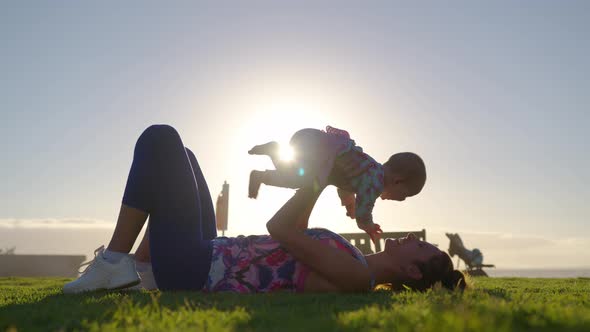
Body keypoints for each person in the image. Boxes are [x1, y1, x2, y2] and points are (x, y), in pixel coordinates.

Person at [63, 125, 464, 294]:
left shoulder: (358, 276)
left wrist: (323, 176)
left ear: (412, 271)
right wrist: (322, 179)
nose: (412, 239)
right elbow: (298, 234)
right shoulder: (353, 257)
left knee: (160, 139)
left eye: (421, 249)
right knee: (183, 156)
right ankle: (144, 269)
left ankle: (115, 263)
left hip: (197, 268)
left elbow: (281, 229)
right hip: (208, 252)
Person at [248, 126, 427, 245]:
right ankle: (271, 157)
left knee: (296, 177)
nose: (401, 200)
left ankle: (266, 167)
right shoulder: (375, 183)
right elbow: (364, 210)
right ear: (398, 180)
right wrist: (368, 226)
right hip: (317, 146)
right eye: (404, 196)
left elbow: (343, 181)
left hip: (312, 140)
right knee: (302, 180)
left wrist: (349, 203)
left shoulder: (368, 170)